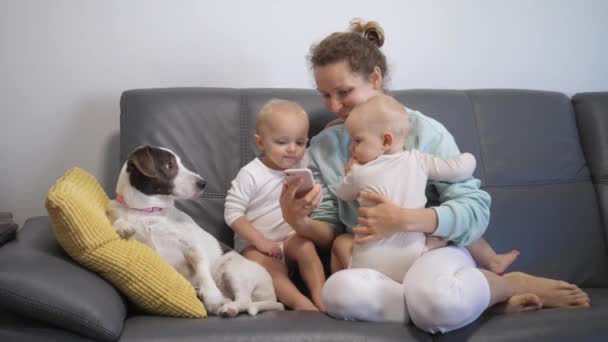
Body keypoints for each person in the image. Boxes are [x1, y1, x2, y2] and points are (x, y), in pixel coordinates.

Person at [279, 18, 590, 333]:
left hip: (430, 251)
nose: (334, 106)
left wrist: (407, 220)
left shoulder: (424, 133)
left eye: (344, 92)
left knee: (434, 300)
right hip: (374, 263)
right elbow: (331, 231)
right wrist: (299, 222)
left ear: (374, 78)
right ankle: (475, 303)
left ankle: (503, 286)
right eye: (324, 95)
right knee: (338, 295)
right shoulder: (323, 148)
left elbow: (474, 210)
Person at [336, 94, 520, 283]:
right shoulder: (419, 160)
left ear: (386, 141)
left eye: (357, 141)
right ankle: (487, 262)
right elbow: (456, 169)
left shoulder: (360, 172)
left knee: (447, 226)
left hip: (386, 258)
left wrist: (348, 174)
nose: (351, 148)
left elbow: (342, 192)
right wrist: (470, 159)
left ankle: (490, 264)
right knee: (442, 234)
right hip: (416, 252)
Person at [224, 99, 326, 312]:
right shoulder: (251, 173)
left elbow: (321, 147)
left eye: (300, 143)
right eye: (281, 142)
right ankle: (302, 304)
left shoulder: (302, 168)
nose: (292, 149)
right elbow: (232, 214)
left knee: (306, 246)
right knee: (266, 264)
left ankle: (322, 297)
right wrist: (260, 241)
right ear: (261, 143)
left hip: (287, 242)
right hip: (256, 247)